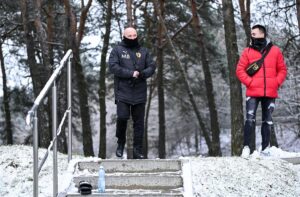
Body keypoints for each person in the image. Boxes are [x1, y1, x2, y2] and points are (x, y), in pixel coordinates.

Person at [236, 24, 287, 158]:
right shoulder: (247, 51)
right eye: (251, 34)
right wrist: (250, 82)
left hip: (270, 92)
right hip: (252, 92)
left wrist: (276, 82)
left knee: (267, 121)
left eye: (254, 34)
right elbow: (240, 70)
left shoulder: (275, 51)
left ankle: (265, 148)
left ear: (262, 34)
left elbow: (282, 70)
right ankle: (247, 148)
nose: (251, 36)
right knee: (249, 119)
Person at [108, 27, 156, 159]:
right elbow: (113, 67)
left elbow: (152, 66)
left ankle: (137, 150)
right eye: (129, 35)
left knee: (139, 122)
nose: (132, 38)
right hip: (123, 91)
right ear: (124, 36)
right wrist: (130, 73)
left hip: (140, 92)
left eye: (135, 35)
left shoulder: (144, 51)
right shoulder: (117, 50)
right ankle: (120, 142)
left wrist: (143, 74)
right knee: (122, 117)